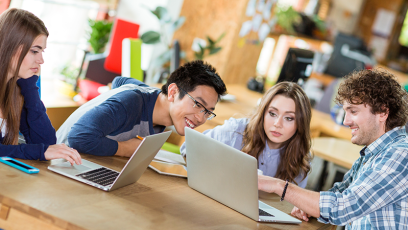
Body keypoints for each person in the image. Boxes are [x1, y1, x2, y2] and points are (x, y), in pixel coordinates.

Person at [258, 68, 408, 228]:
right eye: (345, 112)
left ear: (383, 112)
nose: (346, 121)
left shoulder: (400, 154)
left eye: (353, 111)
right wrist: (309, 205)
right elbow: (340, 193)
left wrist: (278, 186)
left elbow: (341, 208)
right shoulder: (374, 152)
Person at [57, 60, 227, 157]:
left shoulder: (155, 99)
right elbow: (78, 138)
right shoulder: (130, 103)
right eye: (197, 104)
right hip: (60, 162)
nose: (200, 118)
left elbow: (120, 81)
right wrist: (125, 148)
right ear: (173, 92)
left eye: (207, 111)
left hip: (86, 161)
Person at [181, 81, 312, 187]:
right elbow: (189, 149)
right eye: (272, 113)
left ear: (300, 123)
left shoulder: (300, 157)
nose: (278, 124)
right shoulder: (236, 131)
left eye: (289, 118)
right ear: (263, 113)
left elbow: (291, 205)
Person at [0, 8, 81, 165]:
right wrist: (39, 152)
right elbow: (43, 150)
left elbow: (47, 142)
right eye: (34, 51)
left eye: (42, 51)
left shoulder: (16, 91)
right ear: (9, 47)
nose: (41, 60)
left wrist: (30, 87)